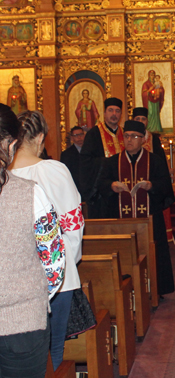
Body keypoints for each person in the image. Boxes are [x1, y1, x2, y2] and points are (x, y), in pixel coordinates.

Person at [10, 110, 83, 370]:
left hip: (11, 281)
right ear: (41, 137)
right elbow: (72, 225)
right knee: (53, 350)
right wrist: (67, 265)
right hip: (57, 278)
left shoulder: (3, 174)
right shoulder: (54, 171)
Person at [0, 103, 65, 377]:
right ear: (11, 144)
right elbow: (55, 264)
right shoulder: (31, 194)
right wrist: (29, 296)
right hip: (22, 327)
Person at [98, 120, 175, 295]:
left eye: (134, 136)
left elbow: (166, 187)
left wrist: (151, 186)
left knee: (153, 251)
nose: (129, 140)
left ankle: (155, 289)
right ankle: (125, 290)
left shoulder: (154, 161)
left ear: (143, 139)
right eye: (126, 136)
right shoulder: (112, 162)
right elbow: (101, 184)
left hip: (149, 220)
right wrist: (111, 186)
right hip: (121, 221)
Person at [133, 106, 175, 242]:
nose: (140, 121)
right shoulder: (127, 138)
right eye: (137, 119)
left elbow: (161, 161)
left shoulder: (153, 139)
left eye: (143, 119)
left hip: (151, 185)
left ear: (147, 121)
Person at [79, 97, 124, 218]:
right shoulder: (93, 134)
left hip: (123, 192)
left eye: (117, 111)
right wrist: (107, 163)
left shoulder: (125, 134)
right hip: (102, 194)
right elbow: (85, 162)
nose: (114, 114)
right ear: (104, 113)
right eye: (110, 110)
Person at [60, 126, 85, 193]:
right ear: (72, 138)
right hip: (75, 187)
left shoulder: (91, 151)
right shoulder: (66, 154)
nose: (79, 138)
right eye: (76, 135)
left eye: (81, 134)